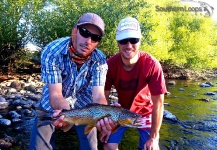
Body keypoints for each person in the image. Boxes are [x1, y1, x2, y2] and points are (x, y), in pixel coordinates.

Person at [29, 12, 114, 150]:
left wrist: (103, 116)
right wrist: (64, 113)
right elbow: (56, 94)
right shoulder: (52, 51)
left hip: (86, 109)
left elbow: (98, 95)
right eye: (84, 32)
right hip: (52, 107)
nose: (88, 41)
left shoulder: (100, 60)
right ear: (75, 30)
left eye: (95, 37)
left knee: (91, 148)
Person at [104, 17, 168, 150]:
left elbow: (159, 104)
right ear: (117, 42)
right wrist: (105, 125)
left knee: (151, 148)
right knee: (109, 146)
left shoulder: (152, 65)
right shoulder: (109, 65)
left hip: (145, 113)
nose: (128, 45)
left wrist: (154, 137)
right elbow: (103, 98)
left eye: (134, 40)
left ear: (140, 41)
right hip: (120, 112)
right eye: (123, 41)